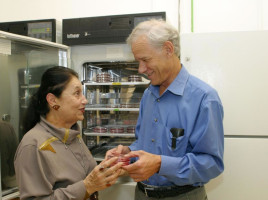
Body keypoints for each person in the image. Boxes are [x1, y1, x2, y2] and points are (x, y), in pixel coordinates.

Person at [106, 19, 224, 199]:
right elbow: (144, 143)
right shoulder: (149, 94)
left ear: (168, 49)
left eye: (145, 60)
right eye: (138, 61)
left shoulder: (204, 98)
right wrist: (129, 152)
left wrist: (160, 164)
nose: (140, 69)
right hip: (142, 193)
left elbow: (211, 164)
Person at [14, 66, 123, 200]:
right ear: (53, 101)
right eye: (77, 93)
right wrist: (87, 187)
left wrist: (108, 167)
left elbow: (84, 177)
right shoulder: (33, 145)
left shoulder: (73, 135)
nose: (85, 100)